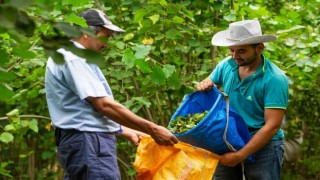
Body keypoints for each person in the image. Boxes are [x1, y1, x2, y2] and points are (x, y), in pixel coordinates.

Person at [45, 9, 178, 180]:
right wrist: (152, 129)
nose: (106, 44)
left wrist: (123, 130)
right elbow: (104, 105)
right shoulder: (74, 58)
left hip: (82, 142)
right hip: (89, 144)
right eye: (105, 37)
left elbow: (82, 111)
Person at [197, 20, 289, 180]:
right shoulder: (227, 64)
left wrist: (240, 156)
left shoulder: (275, 78)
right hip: (229, 139)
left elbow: (272, 126)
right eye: (231, 50)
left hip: (264, 144)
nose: (234, 56)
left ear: (259, 48)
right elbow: (209, 81)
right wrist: (205, 84)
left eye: (241, 51)